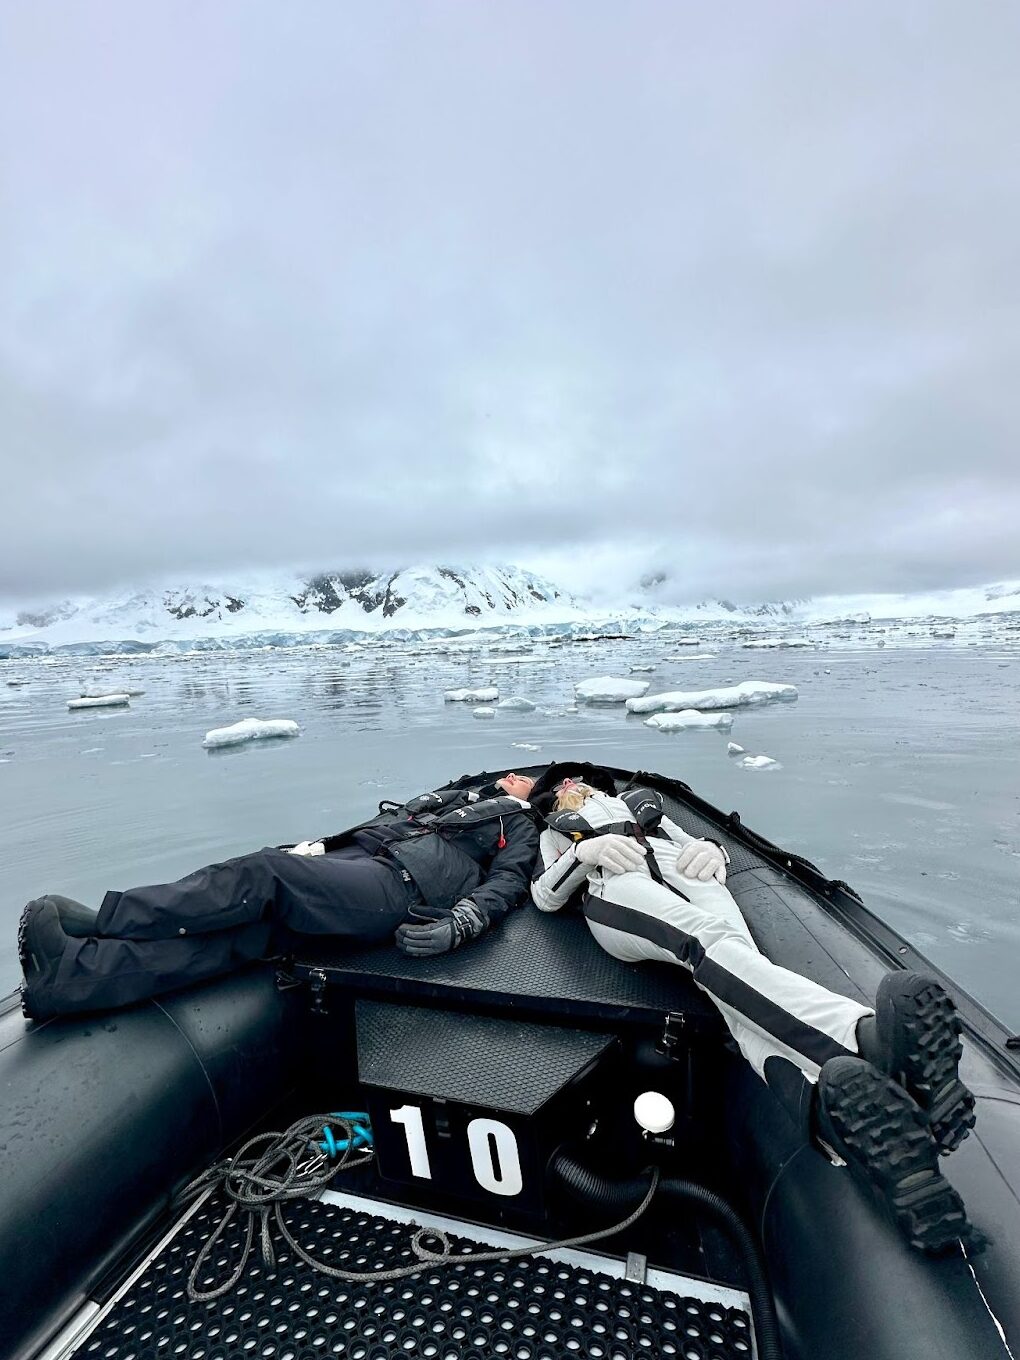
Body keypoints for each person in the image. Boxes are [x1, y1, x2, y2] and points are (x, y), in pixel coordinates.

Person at [528, 763, 977, 1253]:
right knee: (704, 942)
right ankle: (862, 1040)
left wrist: (710, 848)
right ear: (552, 801)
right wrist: (582, 853)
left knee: (735, 980)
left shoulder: (644, 809)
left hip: (686, 872)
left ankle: (829, 1119)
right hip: (617, 888)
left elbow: (694, 838)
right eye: (561, 785)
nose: (572, 785)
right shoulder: (559, 834)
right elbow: (544, 894)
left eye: (577, 779)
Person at [17, 773, 539, 1020]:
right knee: (250, 932)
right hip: (358, 860)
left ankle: (112, 919)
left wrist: (464, 921)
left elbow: (510, 882)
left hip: (396, 887)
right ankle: (72, 978)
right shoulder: (462, 799)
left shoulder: (517, 825)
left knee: (266, 873)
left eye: (525, 780)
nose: (512, 776)